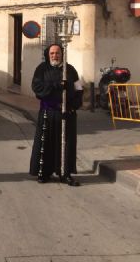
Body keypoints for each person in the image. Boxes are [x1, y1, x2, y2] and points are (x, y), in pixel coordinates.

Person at [29, 44, 83, 186]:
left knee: (66, 144)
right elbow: (36, 87)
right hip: (49, 113)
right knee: (46, 143)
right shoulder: (41, 69)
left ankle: (65, 174)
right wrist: (56, 85)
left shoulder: (70, 70)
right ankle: (44, 172)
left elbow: (79, 89)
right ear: (48, 54)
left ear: (62, 54)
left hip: (67, 114)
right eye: (52, 53)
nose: (55, 56)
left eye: (57, 53)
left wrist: (73, 106)